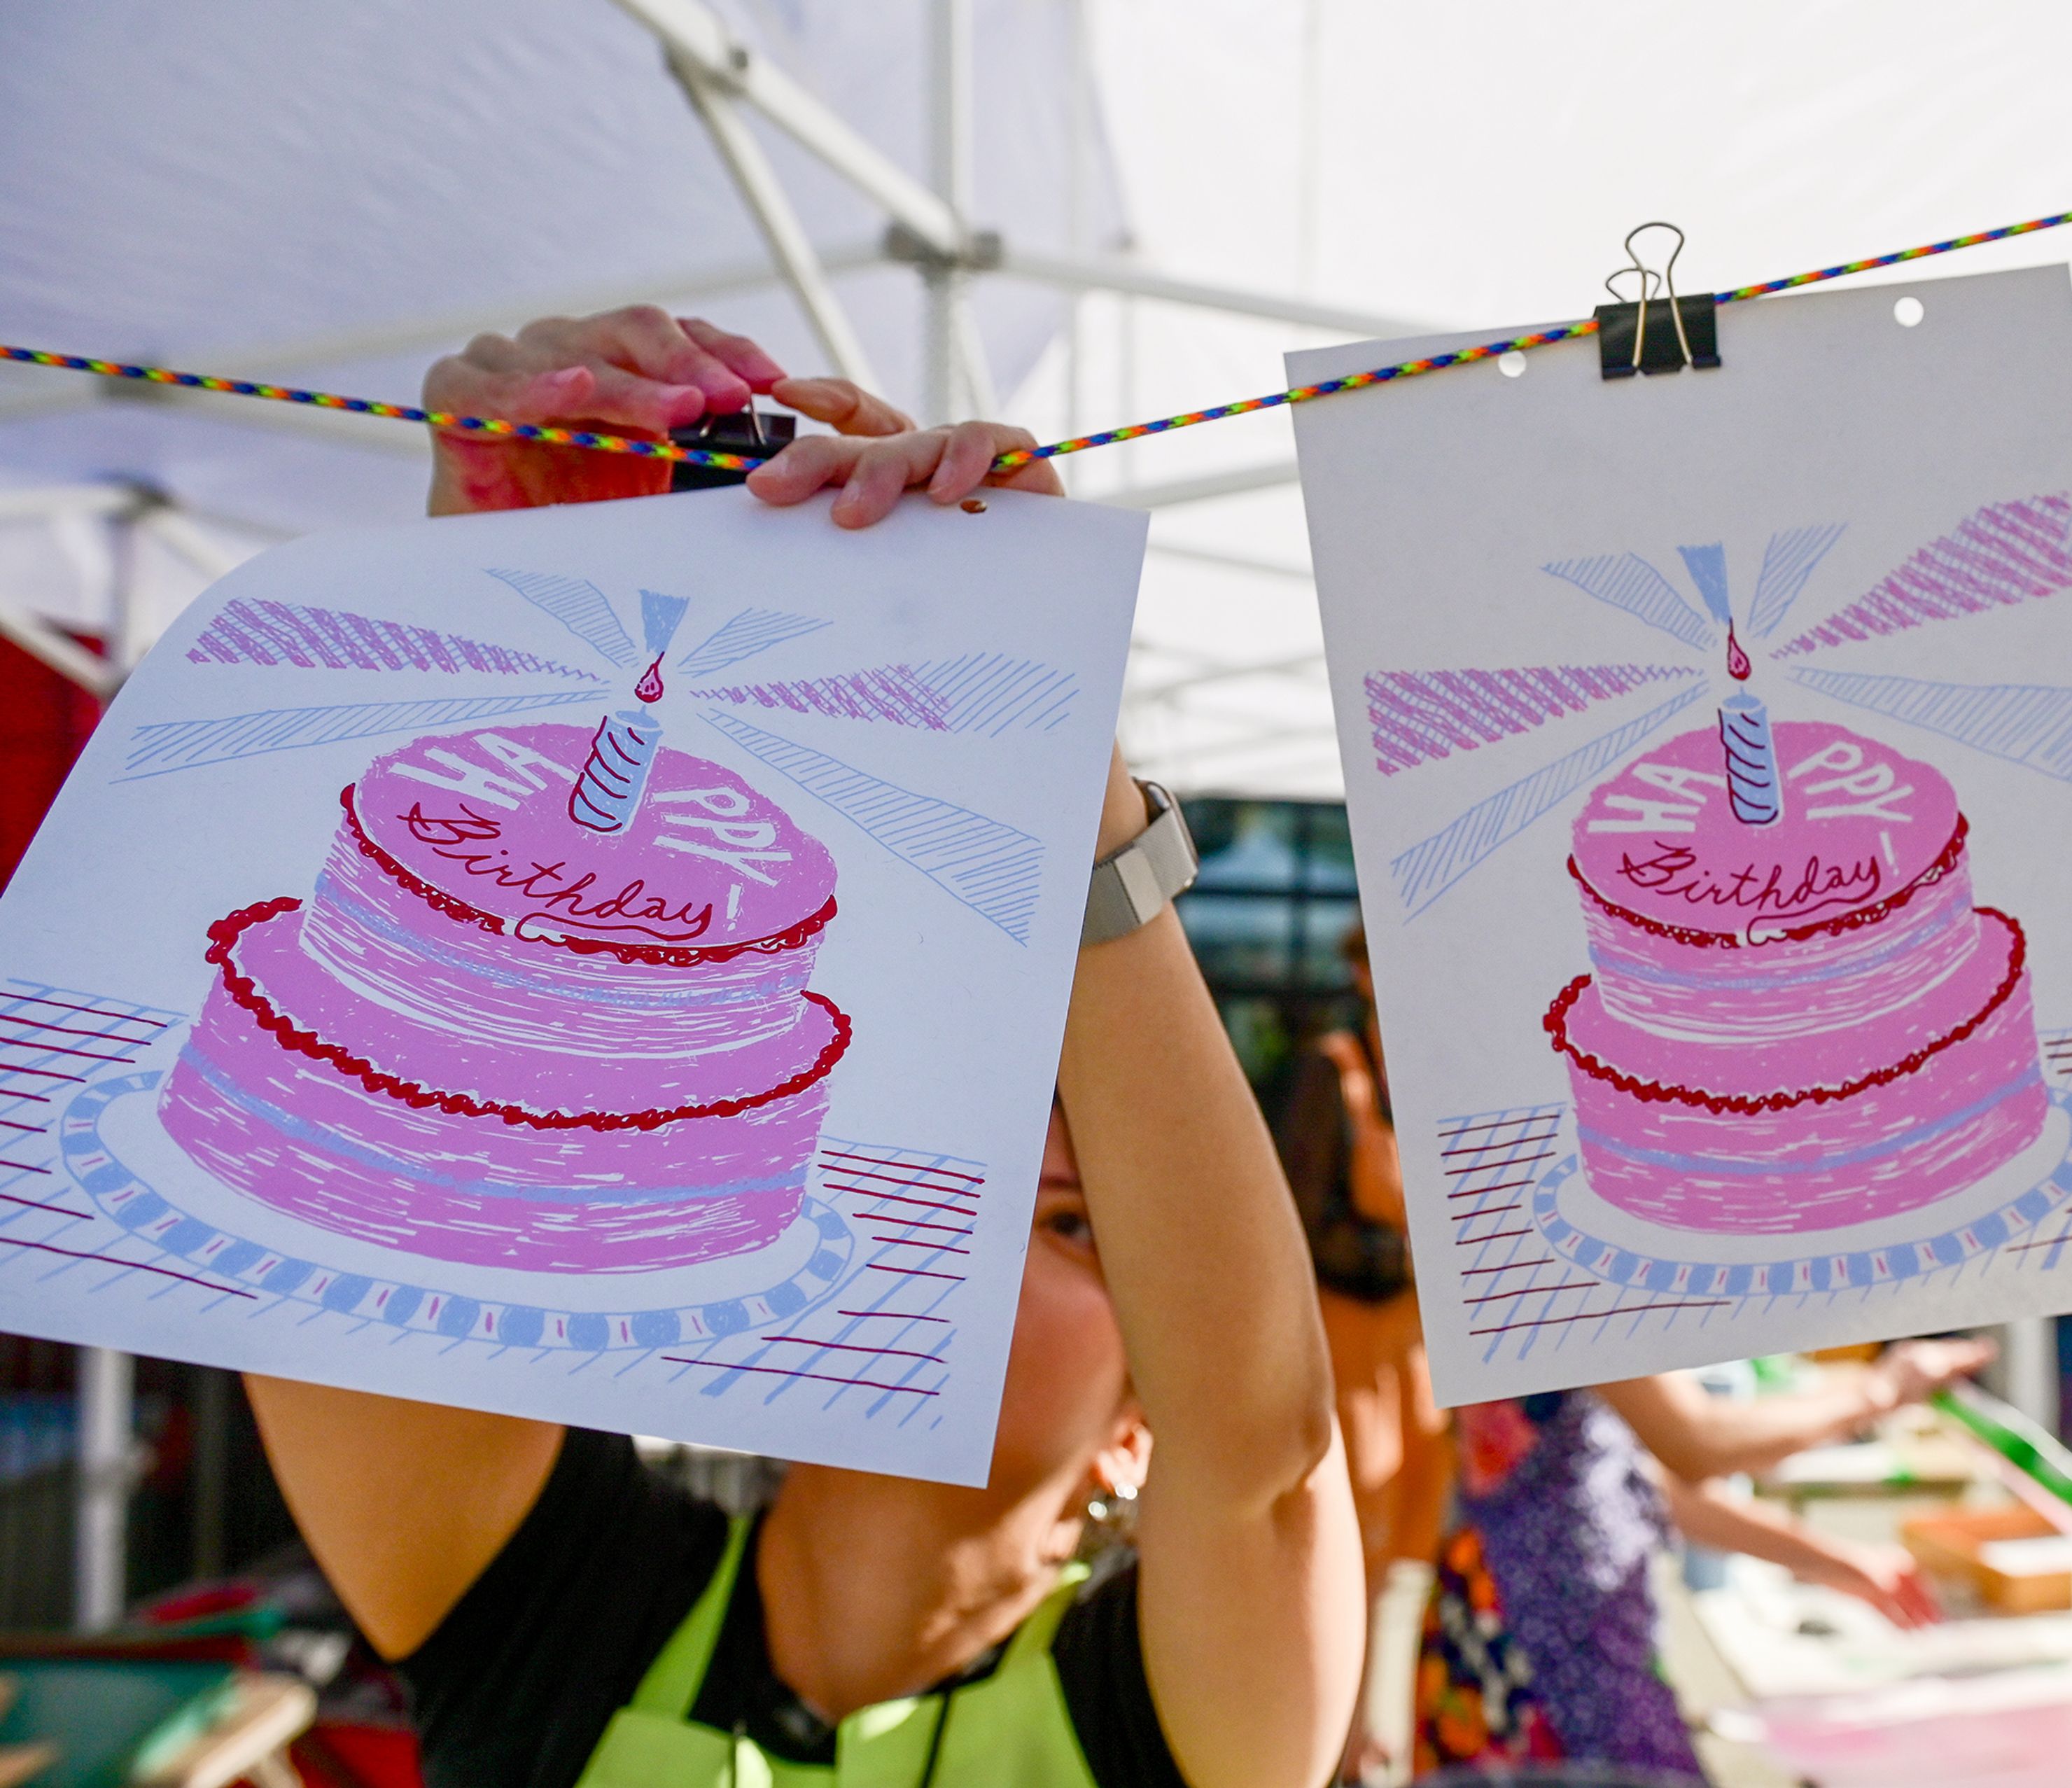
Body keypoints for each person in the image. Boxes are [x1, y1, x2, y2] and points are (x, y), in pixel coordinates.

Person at [246, 307, 1363, 1788]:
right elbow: (334, 1191)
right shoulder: (552, 1601)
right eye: (941, 1163)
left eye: (1075, 1222)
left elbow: (1266, 1450)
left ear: (1135, 1433)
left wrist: (1043, 736)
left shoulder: (1159, 1723)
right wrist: (516, 589)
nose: (968, 1227)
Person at [1413, 1339, 1995, 1780]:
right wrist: (1882, 1389)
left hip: (1511, 1632)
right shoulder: (1553, 1264)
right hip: (1548, 1666)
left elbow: (1642, 1479)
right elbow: (1698, 1442)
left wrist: (1835, 1561)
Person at [1275, 923, 1452, 1780]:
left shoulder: (1439, 1064)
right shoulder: (1330, 1068)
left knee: (1407, 1548)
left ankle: (1366, 1723)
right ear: (1359, 972)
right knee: (1344, 1541)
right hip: (1345, 1332)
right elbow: (1294, 1220)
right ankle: (1333, 1735)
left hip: (1416, 1344)